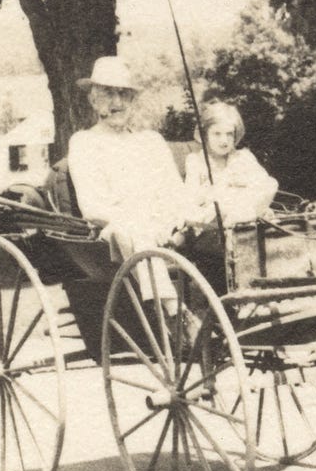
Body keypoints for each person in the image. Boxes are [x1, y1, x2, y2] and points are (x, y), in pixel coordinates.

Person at [67, 56, 190, 305]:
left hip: (163, 228)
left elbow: (176, 193)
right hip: (115, 235)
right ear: (93, 99)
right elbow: (93, 207)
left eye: (124, 94)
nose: (117, 102)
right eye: (108, 94)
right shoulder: (84, 143)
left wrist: (174, 223)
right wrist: (143, 223)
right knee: (132, 231)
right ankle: (172, 312)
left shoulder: (150, 141)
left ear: (133, 100)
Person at [183, 101, 278, 244]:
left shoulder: (243, 157)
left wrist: (247, 186)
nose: (224, 140)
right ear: (204, 135)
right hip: (213, 223)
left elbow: (263, 184)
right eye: (217, 134)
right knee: (222, 202)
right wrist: (215, 191)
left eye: (229, 134)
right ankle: (243, 219)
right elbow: (190, 199)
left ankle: (248, 218)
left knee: (271, 183)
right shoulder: (196, 161)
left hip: (244, 210)